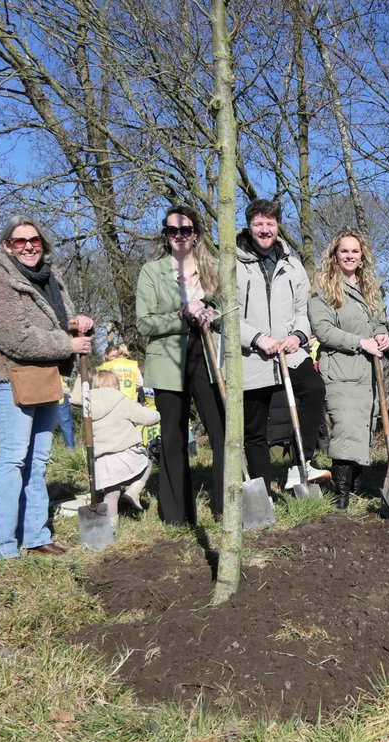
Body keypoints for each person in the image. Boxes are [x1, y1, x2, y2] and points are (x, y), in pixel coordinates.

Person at [0, 214, 93, 559]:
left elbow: (55, 322)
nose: (28, 246)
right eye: (19, 241)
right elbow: (15, 336)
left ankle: (35, 535)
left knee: (38, 459)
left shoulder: (51, 277)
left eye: (34, 240)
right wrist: (67, 345)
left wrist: (76, 324)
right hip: (11, 375)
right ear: (6, 246)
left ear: (43, 244)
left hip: (44, 375)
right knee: (13, 459)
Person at [135, 204, 224, 525]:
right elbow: (143, 322)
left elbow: (228, 309)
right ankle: (176, 515)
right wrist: (180, 316)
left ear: (195, 234)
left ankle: (225, 505)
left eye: (185, 230)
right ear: (165, 235)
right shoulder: (151, 272)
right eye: (172, 231)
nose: (179, 236)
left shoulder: (212, 268)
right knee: (173, 438)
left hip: (208, 355)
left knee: (221, 432)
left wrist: (211, 312)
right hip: (167, 361)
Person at [236, 198, 329, 493]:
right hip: (251, 355)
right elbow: (226, 315)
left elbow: (303, 311)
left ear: (278, 226)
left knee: (314, 389)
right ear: (249, 226)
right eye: (259, 223)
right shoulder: (231, 263)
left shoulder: (293, 265)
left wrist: (298, 337)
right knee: (254, 428)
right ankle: (264, 492)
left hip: (289, 352)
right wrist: (256, 339)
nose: (265, 229)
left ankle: (300, 464)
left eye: (270, 223)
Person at [308, 230, 389, 509]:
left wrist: (381, 335)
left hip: (368, 372)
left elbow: (379, 322)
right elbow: (324, 330)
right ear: (335, 254)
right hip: (340, 370)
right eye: (344, 251)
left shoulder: (370, 287)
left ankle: (354, 488)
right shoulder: (324, 288)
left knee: (362, 428)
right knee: (345, 429)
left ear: (362, 255)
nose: (350, 256)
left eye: (355, 251)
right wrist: (360, 342)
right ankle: (341, 496)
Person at [75, 370, 161, 525]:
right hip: (126, 455)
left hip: (102, 461)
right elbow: (147, 418)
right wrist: (158, 414)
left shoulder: (88, 405)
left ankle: (111, 527)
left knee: (111, 494)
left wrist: (80, 377)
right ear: (116, 385)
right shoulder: (123, 403)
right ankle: (133, 491)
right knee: (147, 464)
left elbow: (74, 399)